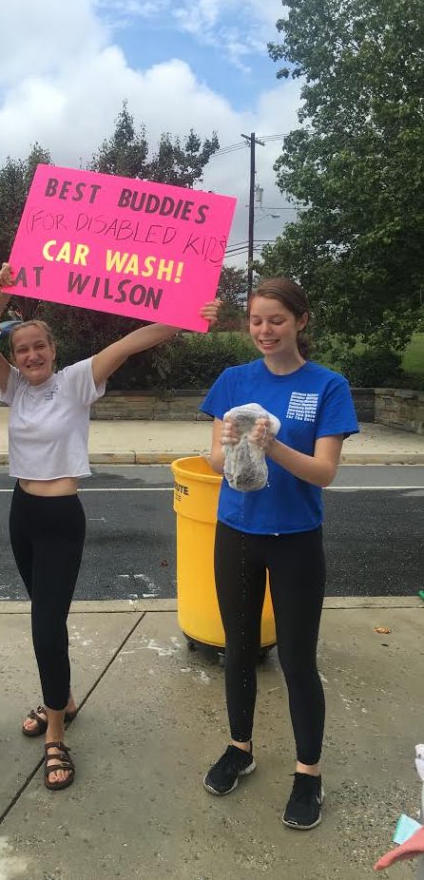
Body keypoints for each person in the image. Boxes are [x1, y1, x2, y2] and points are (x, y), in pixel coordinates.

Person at [0, 263, 208, 791]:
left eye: (39, 347)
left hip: (60, 519)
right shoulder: (15, 390)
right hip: (21, 513)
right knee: (44, 619)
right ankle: (67, 698)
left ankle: (56, 732)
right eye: (23, 350)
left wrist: (188, 315)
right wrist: (0, 295)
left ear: (53, 351)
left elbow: (131, 342)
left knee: (45, 627)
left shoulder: (77, 381)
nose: (31, 355)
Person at [200, 277, 358, 829]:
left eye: (277, 320)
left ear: (301, 322)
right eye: (256, 321)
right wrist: (231, 447)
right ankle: (239, 748)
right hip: (236, 533)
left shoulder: (327, 386)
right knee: (238, 650)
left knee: (296, 659)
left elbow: (325, 472)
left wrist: (274, 445)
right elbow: (214, 464)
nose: (265, 331)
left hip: (295, 540)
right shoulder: (232, 381)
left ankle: (308, 773)